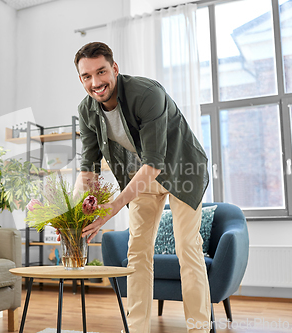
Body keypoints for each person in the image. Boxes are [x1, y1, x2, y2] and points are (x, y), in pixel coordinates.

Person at [73, 42, 211, 333]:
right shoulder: (86, 111)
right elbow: (87, 168)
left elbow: (154, 164)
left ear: (115, 69)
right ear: (81, 79)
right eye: (87, 76)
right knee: (137, 250)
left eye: (101, 72)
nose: (96, 83)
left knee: (188, 247)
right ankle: (135, 329)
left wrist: (111, 209)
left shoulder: (147, 93)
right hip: (142, 177)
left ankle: (198, 328)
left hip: (181, 169)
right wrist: (75, 215)